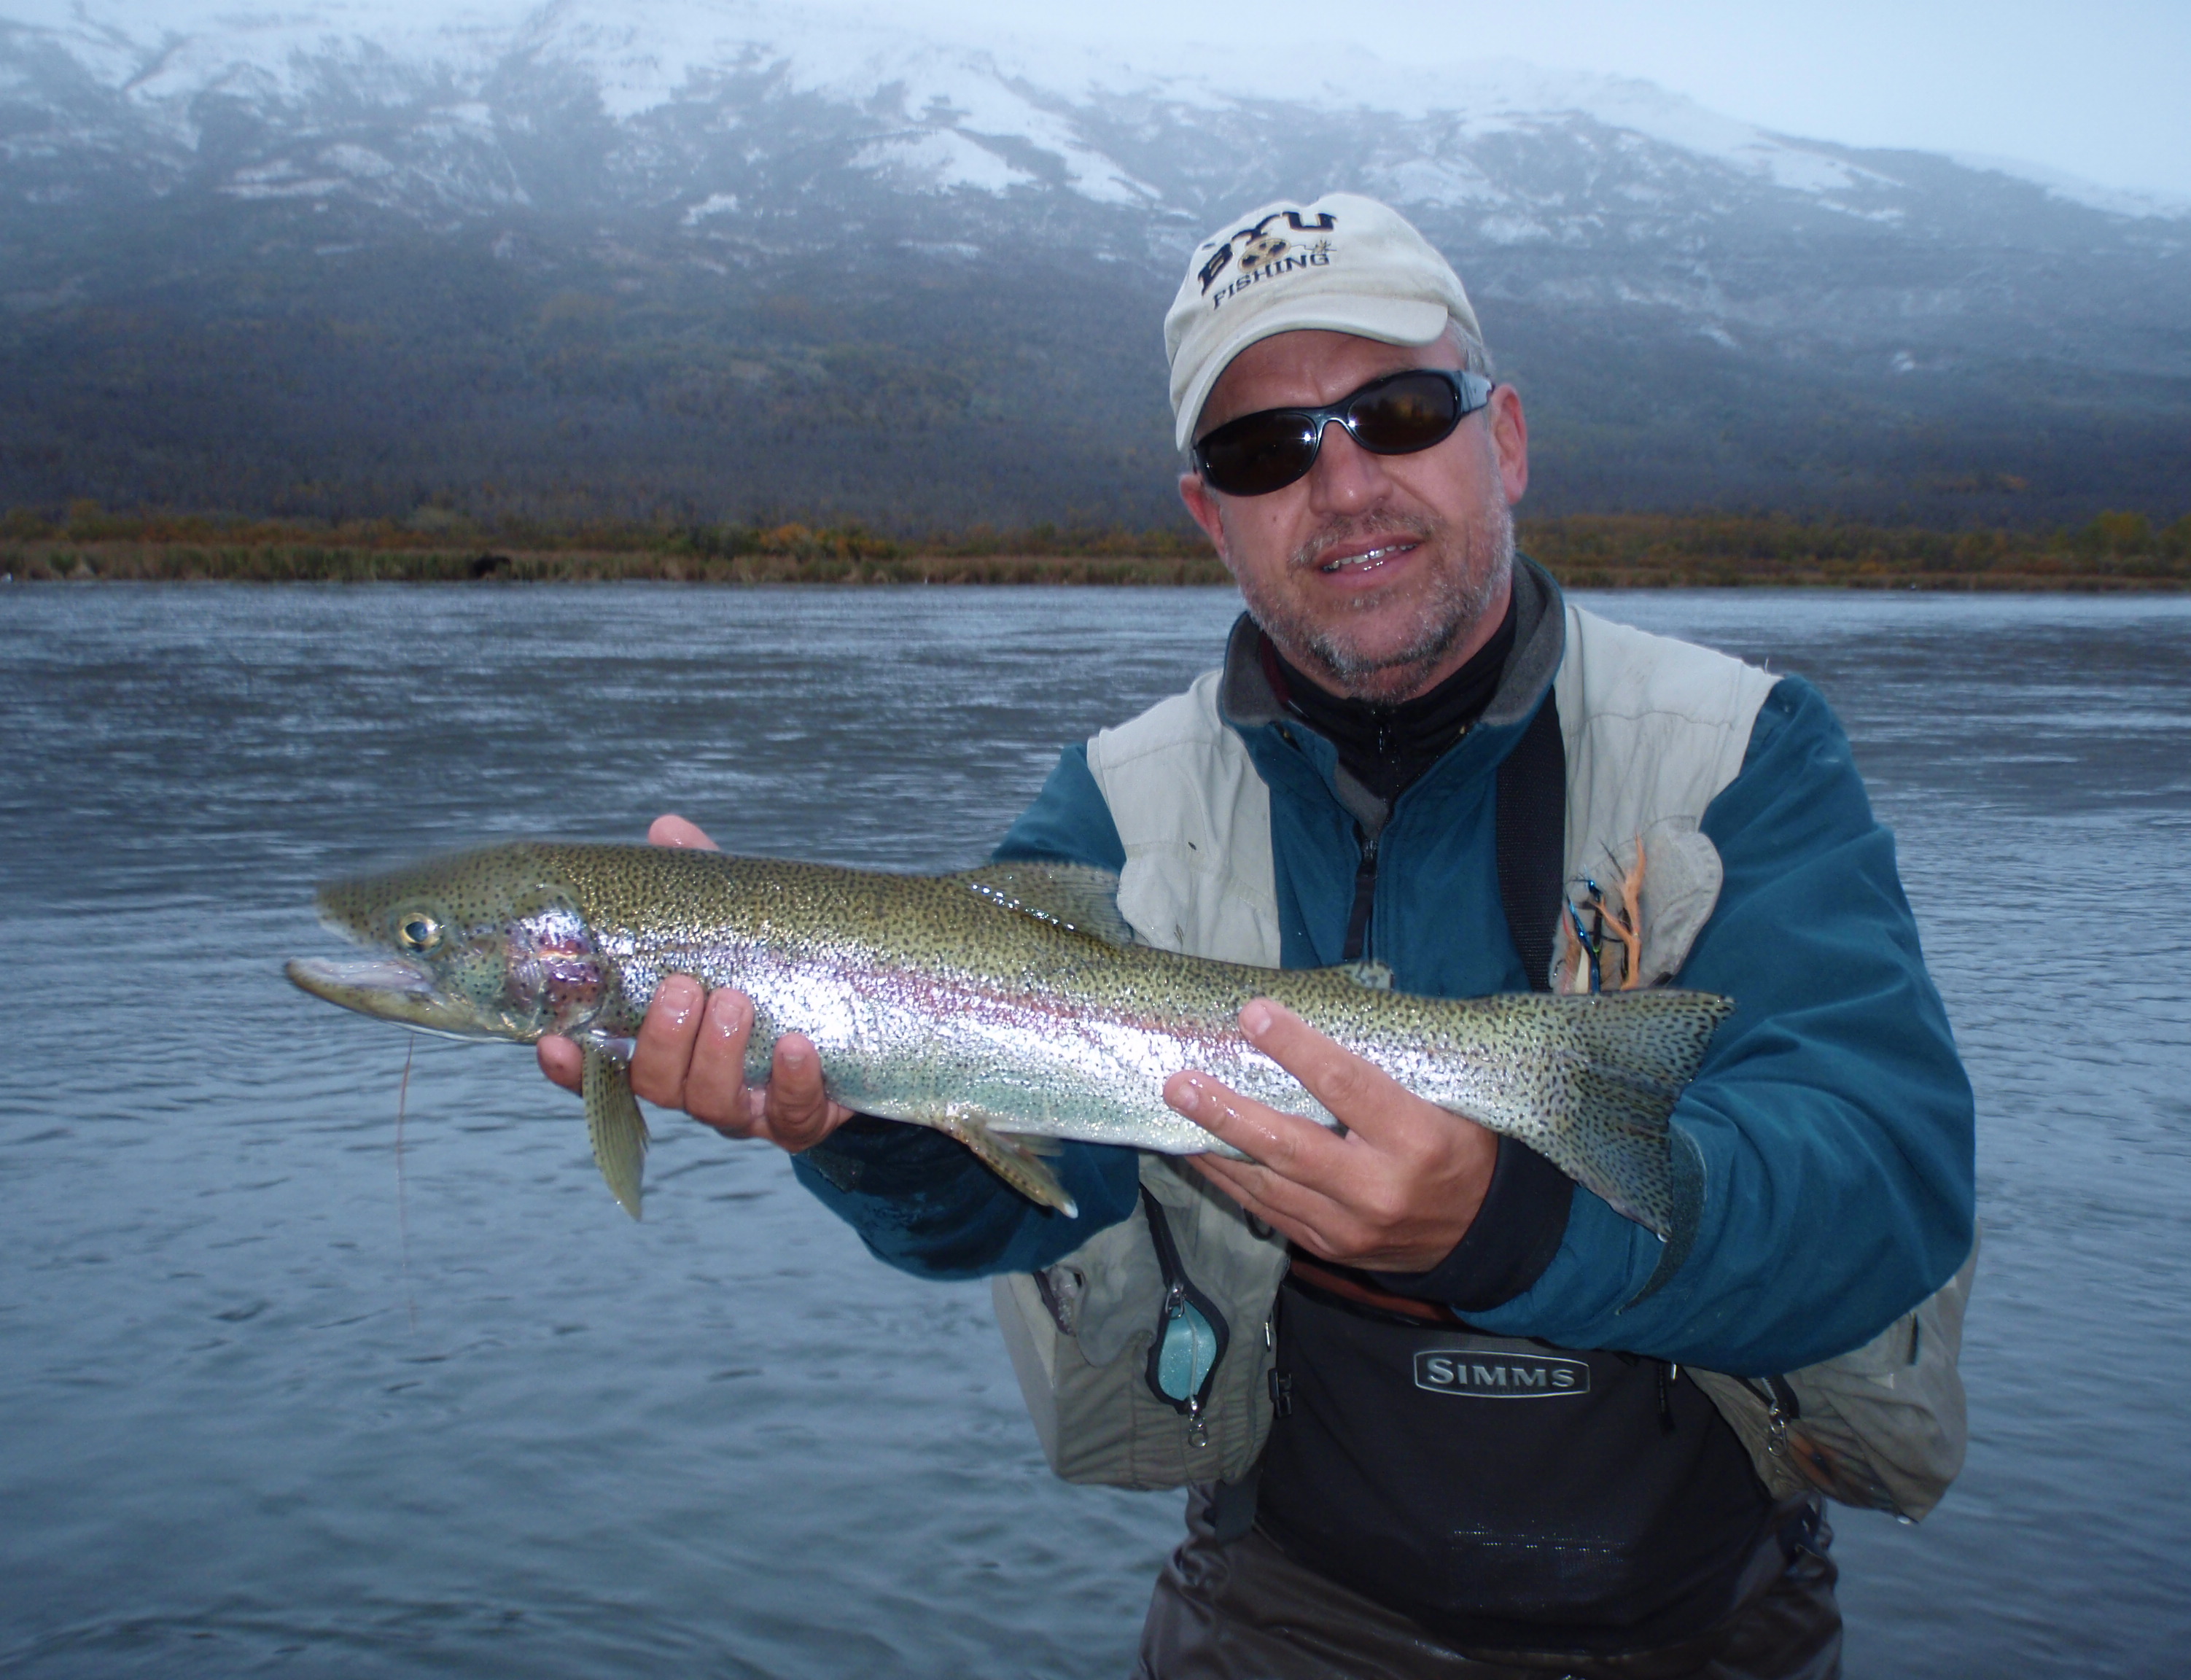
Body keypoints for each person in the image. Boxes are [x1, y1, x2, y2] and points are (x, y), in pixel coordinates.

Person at [539, 192, 1975, 1678]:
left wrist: (1511, 1222)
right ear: (1207, 516)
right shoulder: (1110, 807)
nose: (1342, 485)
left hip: (1712, 1619)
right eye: (1260, 451)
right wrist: (847, 1105)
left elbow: (1887, 1183)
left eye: (1402, 411)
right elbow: (1014, 1205)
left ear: (1511, 440)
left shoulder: (1745, 752)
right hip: (1286, 1610)